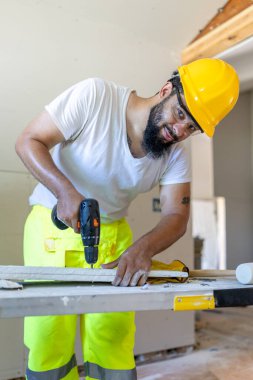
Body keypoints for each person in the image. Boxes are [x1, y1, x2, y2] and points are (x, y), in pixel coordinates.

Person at [15, 58, 239, 380]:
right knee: (48, 339)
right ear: (165, 90)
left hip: (115, 240)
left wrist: (143, 250)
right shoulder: (95, 97)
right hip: (52, 229)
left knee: (113, 341)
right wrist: (64, 192)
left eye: (191, 127)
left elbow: (177, 214)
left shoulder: (175, 154)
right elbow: (28, 141)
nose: (178, 131)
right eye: (179, 114)